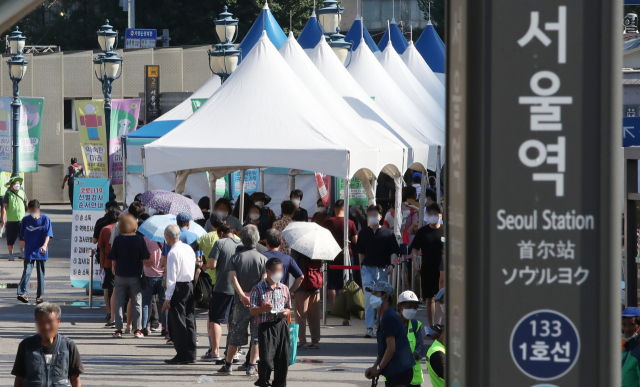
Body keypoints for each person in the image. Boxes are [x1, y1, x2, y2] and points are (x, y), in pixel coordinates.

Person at [218, 226, 267, 375]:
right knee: (256, 336)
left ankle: (228, 364)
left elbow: (233, 278)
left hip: (241, 303)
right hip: (257, 303)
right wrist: (253, 295)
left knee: (235, 334)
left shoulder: (235, 258)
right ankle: (252, 366)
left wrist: (242, 295)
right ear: (257, 239)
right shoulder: (263, 259)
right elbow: (263, 281)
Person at [11, 302, 84, 387]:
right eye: (41, 322)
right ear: (36, 321)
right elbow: (19, 378)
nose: (46, 327)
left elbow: (75, 379)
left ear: (58, 321)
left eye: (50, 321)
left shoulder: (68, 346)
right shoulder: (26, 345)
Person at [200, 223, 244, 363]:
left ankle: (215, 351)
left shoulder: (220, 243)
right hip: (238, 288)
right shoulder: (241, 243)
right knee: (233, 320)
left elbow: (212, 265)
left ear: (221, 234)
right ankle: (234, 352)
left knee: (216, 319)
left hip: (222, 286)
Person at [358, 204, 400, 338]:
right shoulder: (363, 233)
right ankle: (369, 328)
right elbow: (361, 254)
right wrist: (361, 268)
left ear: (380, 216)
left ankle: (381, 325)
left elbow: (394, 251)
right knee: (369, 298)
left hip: (383, 269)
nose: (372, 218)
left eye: (375, 215)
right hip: (367, 269)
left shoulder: (388, 233)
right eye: (370, 215)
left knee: (382, 298)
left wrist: (392, 265)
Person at [107, 214, 150, 338]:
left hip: (120, 274)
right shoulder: (139, 239)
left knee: (119, 302)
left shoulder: (118, 239)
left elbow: (113, 259)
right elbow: (145, 258)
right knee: (137, 301)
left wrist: (114, 268)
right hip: (135, 274)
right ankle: (137, 329)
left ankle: (118, 329)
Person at [250, 257, 291, 386]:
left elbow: (288, 308)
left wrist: (286, 312)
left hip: (281, 325)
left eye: (281, 271)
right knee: (267, 360)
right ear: (268, 271)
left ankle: (279, 384)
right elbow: (252, 311)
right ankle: (263, 380)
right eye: (277, 271)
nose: (280, 274)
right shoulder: (258, 288)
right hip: (266, 327)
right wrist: (263, 308)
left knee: (283, 359)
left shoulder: (284, 288)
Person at [364, 282, 415, 387]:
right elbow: (383, 349)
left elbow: (391, 349)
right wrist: (375, 367)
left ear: (385, 296)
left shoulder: (389, 318)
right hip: (396, 371)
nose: (372, 296)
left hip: (400, 373)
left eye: (375, 293)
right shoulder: (383, 316)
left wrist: (378, 369)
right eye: (372, 293)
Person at [161, 224, 197, 364]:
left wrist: (167, 298)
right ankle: (191, 353)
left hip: (178, 287)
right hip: (189, 284)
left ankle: (182, 354)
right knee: (189, 320)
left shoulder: (172, 253)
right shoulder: (188, 248)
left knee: (178, 322)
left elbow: (171, 278)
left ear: (168, 237)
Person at [410, 203, 444, 327]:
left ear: (441, 215)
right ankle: (431, 325)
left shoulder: (446, 231)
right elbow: (414, 248)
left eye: (436, 214)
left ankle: (439, 325)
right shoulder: (422, 232)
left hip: (443, 270)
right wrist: (415, 262)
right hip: (427, 268)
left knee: (441, 298)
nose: (433, 216)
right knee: (430, 299)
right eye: (430, 214)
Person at [323, 199, 358, 309]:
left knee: (332, 284)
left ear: (335, 209)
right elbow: (355, 240)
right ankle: (342, 307)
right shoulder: (350, 222)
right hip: (346, 255)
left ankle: (334, 307)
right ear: (346, 209)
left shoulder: (328, 222)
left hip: (331, 255)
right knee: (344, 282)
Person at [16, 200, 53, 304]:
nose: (33, 212)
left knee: (40, 273)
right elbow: (22, 236)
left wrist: (45, 245)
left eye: (35, 210)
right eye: (31, 210)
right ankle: (22, 293)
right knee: (27, 271)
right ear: (29, 210)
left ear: (39, 209)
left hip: (41, 250)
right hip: (29, 250)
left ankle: (39, 295)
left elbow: (48, 234)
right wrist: (22, 250)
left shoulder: (45, 219)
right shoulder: (25, 220)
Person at [291, 248, 322, 349]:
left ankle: (302, 341)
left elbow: (293, 265)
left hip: (301, 285)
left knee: (300, 315)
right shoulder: (318, 248)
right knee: (314, 315)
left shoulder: (297, 248)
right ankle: (315, 341)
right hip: (315, 284)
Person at [140, 216, 165, 337]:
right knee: (164, 303)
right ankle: (165, 328)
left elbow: (140, 255)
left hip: (148, 274)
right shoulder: (166, 240)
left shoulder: (144, 239)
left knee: (145, 303)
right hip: (162, 275)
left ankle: (144, 327)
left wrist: (143, 261)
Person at [397, 291, 427, 386]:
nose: (412, 310)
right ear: (400, 307)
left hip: (413, 378)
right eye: (409, 306)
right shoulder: (392, 324)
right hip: (395, 375)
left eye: (415, 307)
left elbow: (420, 347)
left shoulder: (416, 325)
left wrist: (410, 357)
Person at [98, 206, 121, 327]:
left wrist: (101, 264)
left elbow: (101, 248)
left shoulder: (105, 229)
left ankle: (109, 312)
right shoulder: (123, 228)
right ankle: (117, 314)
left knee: (108, 288)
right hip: (122, 264)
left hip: (107, 262)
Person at [263, 229, 304, 294]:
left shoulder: (261, 257)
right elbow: (300, 277)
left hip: (264, 295)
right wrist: (290, 292)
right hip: (281, 296)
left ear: (267, 243)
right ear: (281, 243)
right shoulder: (288, 258)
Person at [3, 176, 27, 261]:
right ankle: (11, 254)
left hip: (22, 219)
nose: (17, 185)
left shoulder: (22, 192)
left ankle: (22, 253)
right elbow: (4, 207)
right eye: (15, 183)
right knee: (10, 238)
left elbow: (26, 203)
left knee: (23, 237)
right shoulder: (8, 194)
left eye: (18, 183)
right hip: (11, 220)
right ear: (11, 185)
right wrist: (3, 219)